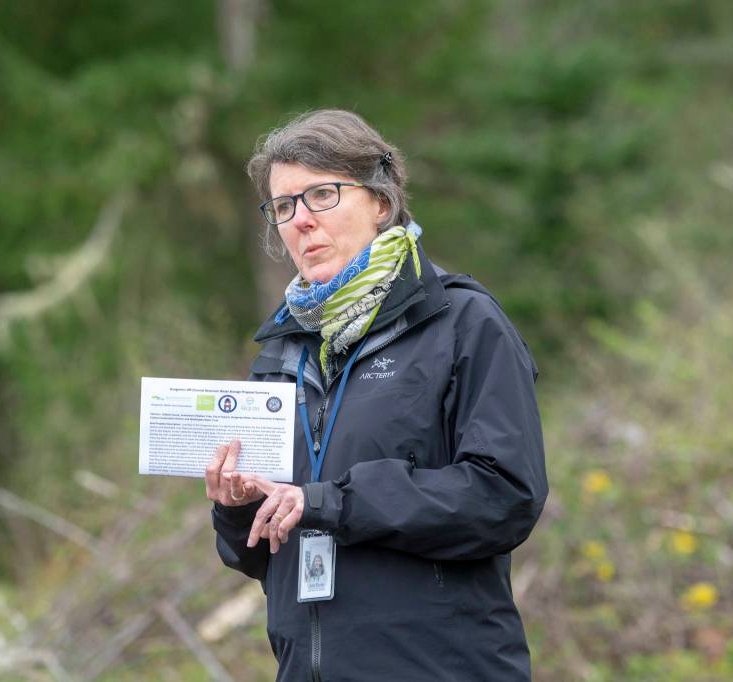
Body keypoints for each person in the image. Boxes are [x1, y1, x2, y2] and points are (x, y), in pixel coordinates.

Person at [205, 110, 548, 681]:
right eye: (284, 206)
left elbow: (505, 495)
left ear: (382, 203)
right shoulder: (281, 352)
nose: (301, 221)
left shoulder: (460, 321)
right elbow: (258, 557)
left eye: (323, 195)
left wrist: (330, 502)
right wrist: (237, 510)